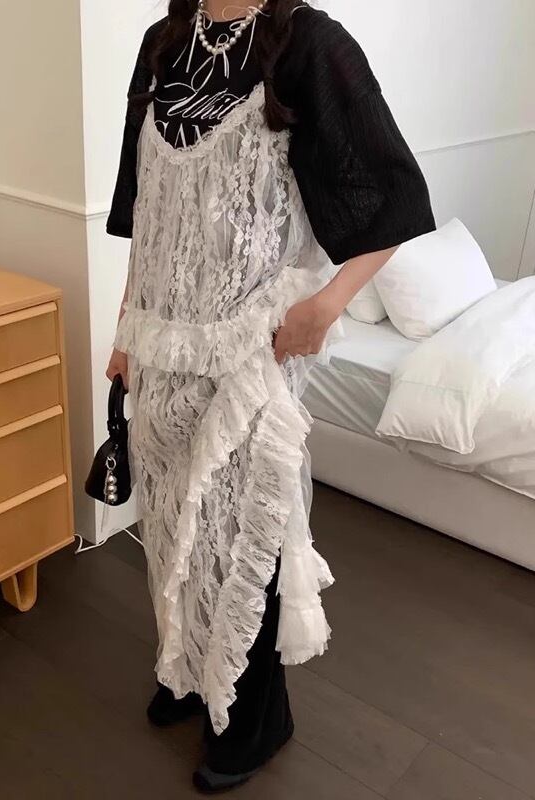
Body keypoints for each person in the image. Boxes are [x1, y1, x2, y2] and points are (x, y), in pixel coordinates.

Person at [105, 0, 435, 792]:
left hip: (251, 347)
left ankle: (256, 718)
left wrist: (327, 305)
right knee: (171, 521)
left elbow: (396, 196)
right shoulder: (163, 43)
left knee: (235, 530)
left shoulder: (311, 44)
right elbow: (147, 208)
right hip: (161, 343)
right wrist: (124, 331)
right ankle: (189, 671)